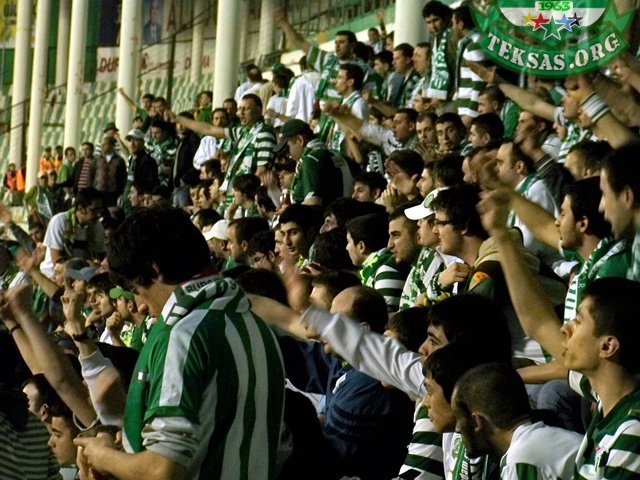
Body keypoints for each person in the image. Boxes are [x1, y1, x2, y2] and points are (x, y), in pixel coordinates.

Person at [77, 206, 285, 480]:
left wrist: (104, 457)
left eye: (139, 290)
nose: (142, 306)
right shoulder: (255, 326)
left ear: (154, 270)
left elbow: (163, 470)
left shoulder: (184, 335)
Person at [451, 363, 582, 480]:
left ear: (476, 422)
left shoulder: (521, 458)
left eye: (458, 418)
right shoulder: (533, 443)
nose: (457, 429)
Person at [275, 119, 353, 206]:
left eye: (287, 147)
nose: (288, 154)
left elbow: (312, 204)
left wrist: (290, 210)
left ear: (300, 140)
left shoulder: (311, 160)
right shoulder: (336, 155)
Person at [346, 213, 408, 311]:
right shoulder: (373, 269)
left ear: (361, 246)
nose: (346, 247)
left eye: (348, 242)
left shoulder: (387, 270)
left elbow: (383, 314)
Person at [40, 188, 105, 278]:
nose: (99, 214)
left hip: (80, 276)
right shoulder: (59, 221)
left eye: (100, 210)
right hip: (54, 276)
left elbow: (101, 256)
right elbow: (57, 262)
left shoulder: (96, 225)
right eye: (94, 210)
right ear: (81, 208)